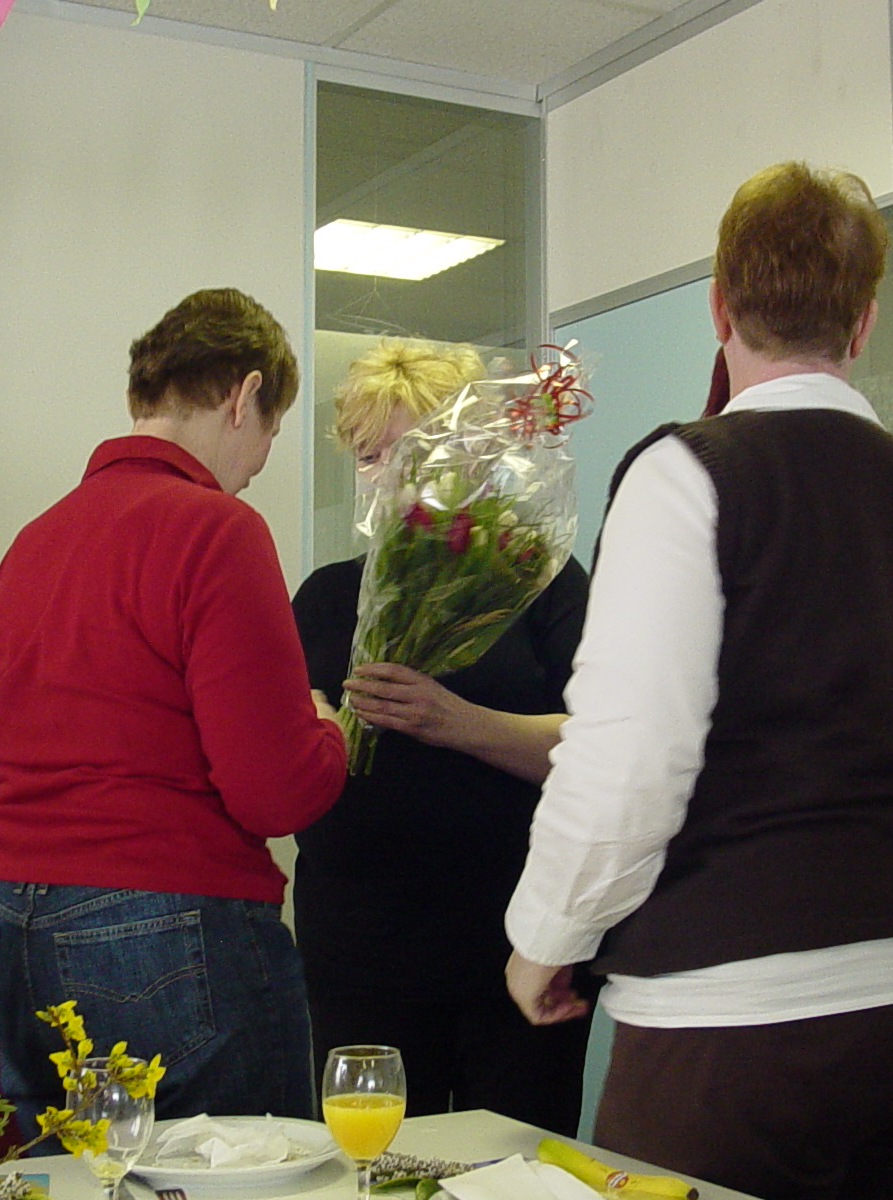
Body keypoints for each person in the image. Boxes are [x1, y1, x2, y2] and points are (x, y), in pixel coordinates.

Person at [504, 162, 893, 1200]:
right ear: (864, 322)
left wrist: (546, 935)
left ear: (719, 306)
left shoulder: (686, 472)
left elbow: (633, 753)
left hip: (754, 997)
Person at [0, 288, 346, 1138]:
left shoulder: (31, 543)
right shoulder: (218, 529)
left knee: (77, 1181)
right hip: (168, 927)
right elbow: (275, 792)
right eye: (270, 434)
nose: (256, 465)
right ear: (244, 396)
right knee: (243, 1179)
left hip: (12, 924)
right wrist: (328, 728)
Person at [290, 339, 595, 1136]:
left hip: (516, 943)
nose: (384, 472)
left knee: (517, 1168)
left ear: (470, 454)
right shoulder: (325, 599)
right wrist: (315, 735)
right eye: (368, 455)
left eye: (407, 450)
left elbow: (601, 746)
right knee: (376, 1169)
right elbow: (283, 763)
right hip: (360, 952)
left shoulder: (534, 579)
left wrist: (457, 723)